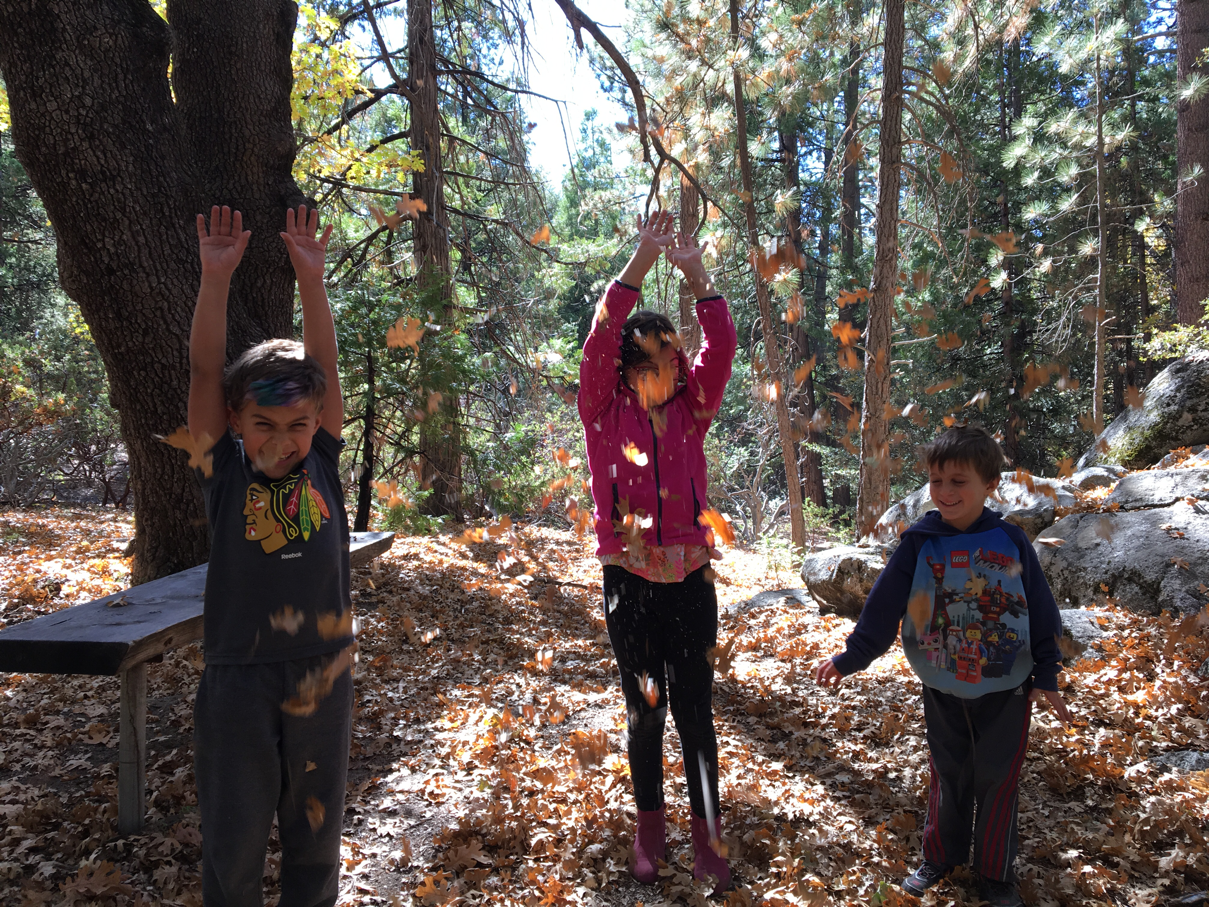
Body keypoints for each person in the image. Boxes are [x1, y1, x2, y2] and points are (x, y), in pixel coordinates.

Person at [815, 425, 1073, 907]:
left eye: (958, 481)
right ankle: (940, 856)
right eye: (936, 481)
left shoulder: (1010, 541)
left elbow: (1040, 608)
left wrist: (1047, 673)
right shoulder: (920, 542)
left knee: (997, 777)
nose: (945, 491)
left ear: (989, 484)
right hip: (941, 681)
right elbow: (884, 605)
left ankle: (995, 872)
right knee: (948, 771)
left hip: (1008, 684)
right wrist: (853, 656)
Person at [188, 204, 354, 907]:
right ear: (234, 420)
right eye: (263, 424)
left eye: (297, 423)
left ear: (317, 420)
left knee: (315, 841)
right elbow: (205, 372)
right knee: (234, 842)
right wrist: (215, 280)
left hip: (323, 668)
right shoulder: (223, 469)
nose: (282, 440)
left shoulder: (321, 458)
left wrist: (312, 282)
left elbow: (325, 367)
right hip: (238, 676)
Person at [578, 211, 737, 894]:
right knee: (646, 710)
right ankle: (650, 831)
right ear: (624, 373)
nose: (662, 375)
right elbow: (599, 337)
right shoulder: (601, 412)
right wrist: (642, 258)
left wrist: (695, 273)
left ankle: (707, 836)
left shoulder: (694, 408)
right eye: (646, 366)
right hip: (630, 581)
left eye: (670, 363)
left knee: (695, 712)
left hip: (690, 579)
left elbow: (721, 345)